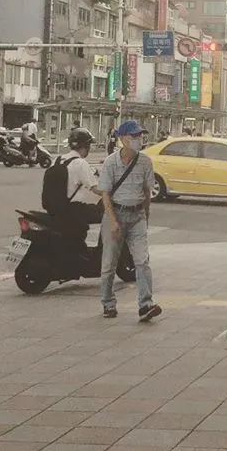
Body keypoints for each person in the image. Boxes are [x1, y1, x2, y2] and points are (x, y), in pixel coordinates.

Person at [98, 120, 161, 323]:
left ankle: (145, 305)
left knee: (142, 260)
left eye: (140, 136)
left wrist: (146, 215)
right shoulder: (110, 162)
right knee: (109, 262)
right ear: (123, 140)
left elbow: (146, 191)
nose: (138, 140)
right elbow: (105, 194)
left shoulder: (145, 162)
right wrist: (113, 221)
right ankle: (108, 302)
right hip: (115, 214)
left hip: (137, 216)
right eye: (133, 137)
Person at [55, 128, 103, 240]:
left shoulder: (58, 160)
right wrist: (112, 193)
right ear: (85, 146)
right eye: (89, 145)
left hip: (56, 208)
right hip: (73, 210)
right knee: (105, 213)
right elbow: (96, 189)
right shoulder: (80, 163)